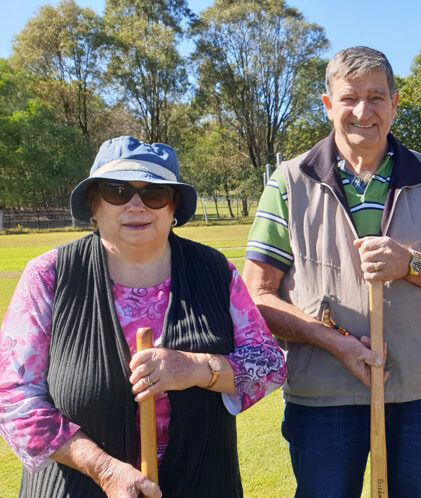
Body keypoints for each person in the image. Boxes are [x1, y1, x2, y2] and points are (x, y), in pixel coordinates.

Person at [242, 46, 421, 498]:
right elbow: (257, 298)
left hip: (418, 393)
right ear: (328, 104)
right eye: (350, 97)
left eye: (376, 97)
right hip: (323, 395)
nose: (362, 111)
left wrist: (409, 264)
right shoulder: (289, 183)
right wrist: (335, 342)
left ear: (395, 102)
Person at [0, 136, 286, 497]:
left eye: (154, 194)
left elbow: (270, 364)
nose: (137, 206)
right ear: (94, 203)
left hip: (201, 483)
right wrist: (104, 470)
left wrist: (197, 368)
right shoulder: (49, 275)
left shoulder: (216, 271)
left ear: (173, 207)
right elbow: (13, 397)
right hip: (77, 486)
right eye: (117, 191)